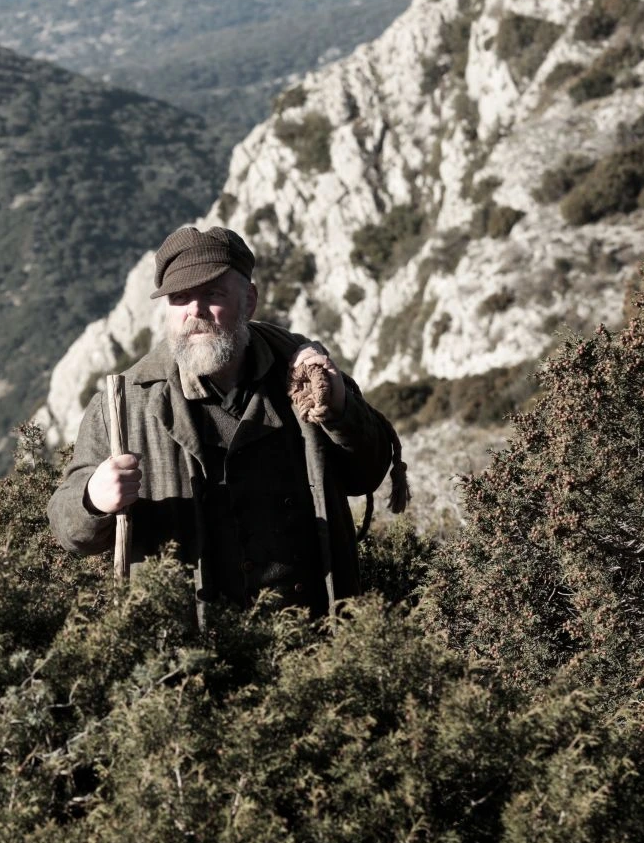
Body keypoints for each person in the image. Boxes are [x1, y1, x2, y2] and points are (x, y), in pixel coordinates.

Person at [47, 225, 408, 624]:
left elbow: (367, 473)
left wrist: (340, 407)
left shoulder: (305, 378)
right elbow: (66, 528)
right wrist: (92, 498)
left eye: (213, 295)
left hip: (311, 637)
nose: (194, 312)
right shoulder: (126, 404)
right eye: (181, 298)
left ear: (248, 300)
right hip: (189, 652)